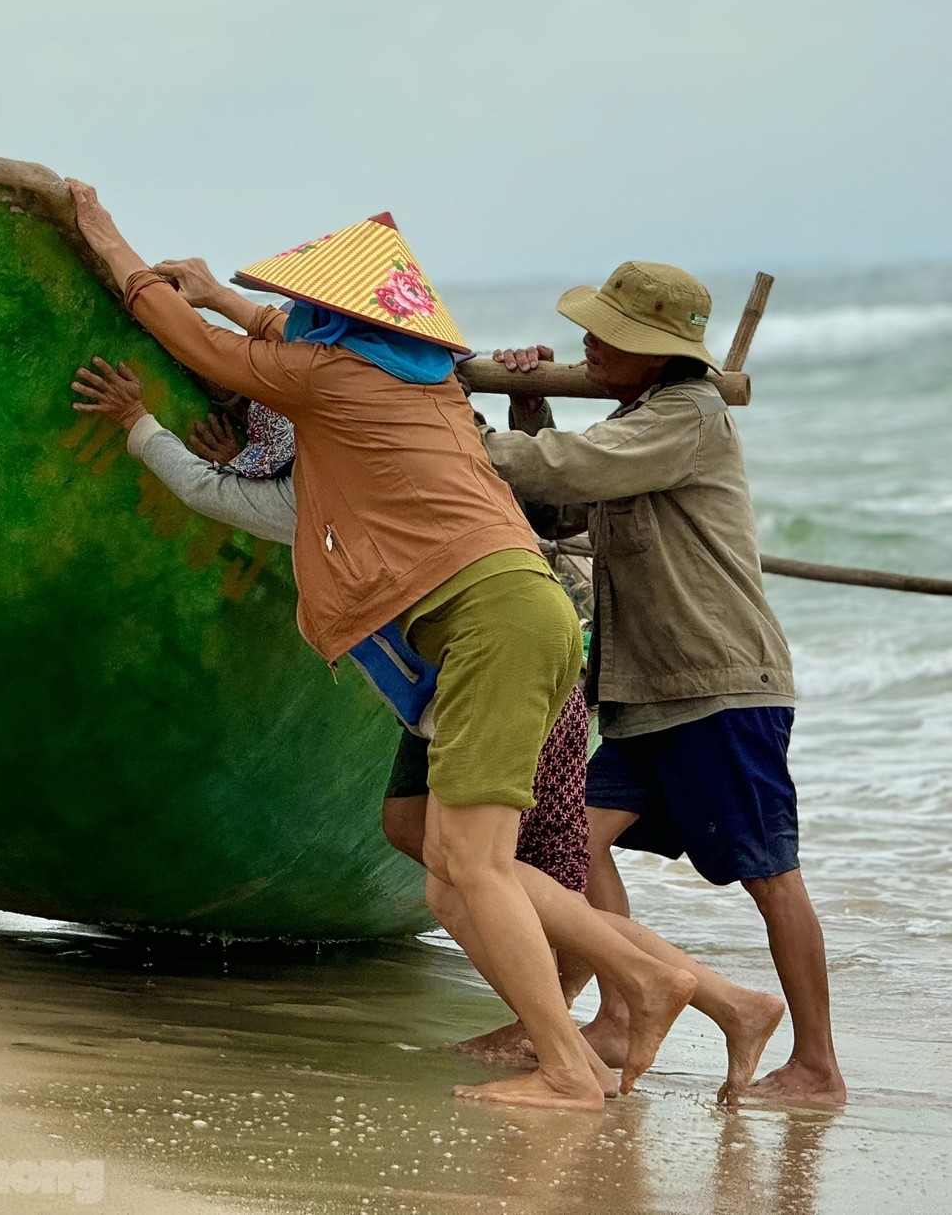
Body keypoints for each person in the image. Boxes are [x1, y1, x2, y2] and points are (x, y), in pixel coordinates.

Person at [66, 189, 782, 1107]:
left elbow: (202, 347)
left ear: (332, 329)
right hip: (511, 614)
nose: (297, 333)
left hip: (492, 622)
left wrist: (103, 234)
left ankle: (569, 1068)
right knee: (452, 874)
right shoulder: (423, 374)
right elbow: (269, 333)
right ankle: (690, 989)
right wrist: (222, 296)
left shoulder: (327, 379)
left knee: (473, 868)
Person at [483, 262, 844, 1106]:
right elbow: (553, 509)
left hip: (719, 685)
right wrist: (527, 405)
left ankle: (819, 1065)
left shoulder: (687, 415)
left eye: (606, 333)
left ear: (653, 353)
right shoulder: (634, 420)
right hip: (645, 690)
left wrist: (441, 428)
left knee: (770, 873)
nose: (587, 342)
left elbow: (561, 471)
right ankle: (618, 1011)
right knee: (579, 843)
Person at [67, 364, 594, 897]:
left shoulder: (315, 497)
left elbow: (202, 489)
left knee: (498, 865)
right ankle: (612, 962)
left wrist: (137, 419)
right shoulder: (396, 464)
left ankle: (634, 967)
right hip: (448, 689)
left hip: (490, 679)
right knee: (421, 833)